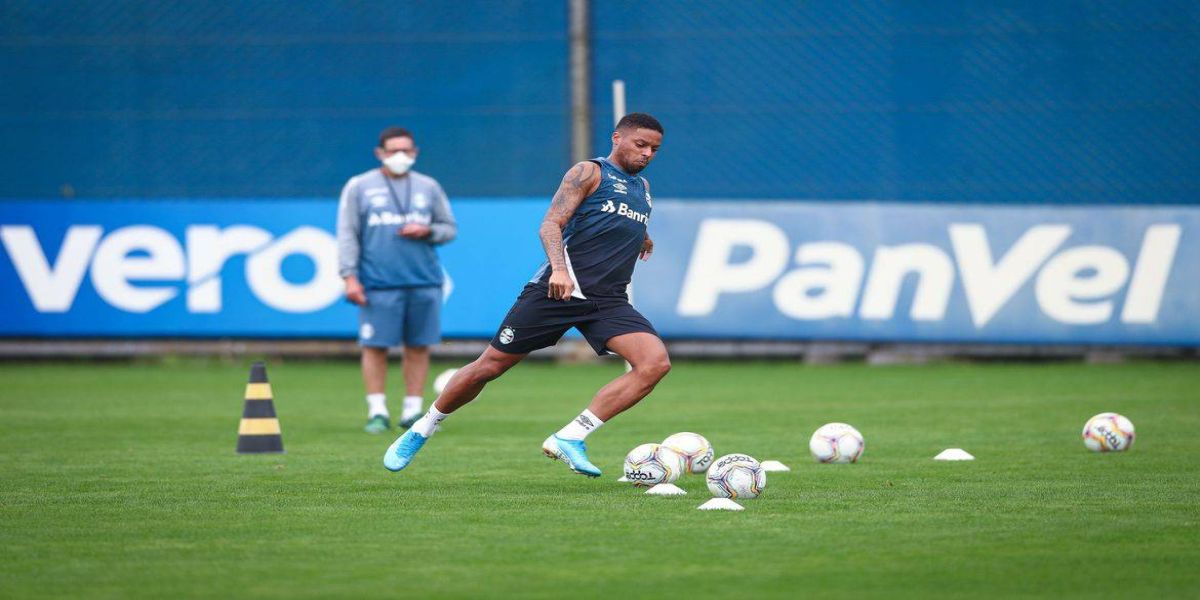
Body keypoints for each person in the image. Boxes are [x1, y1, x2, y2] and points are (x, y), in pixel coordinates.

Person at [383, 113, 668, 477]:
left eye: (654, 149)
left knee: (655, 363)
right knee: (490, 366)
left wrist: (641, 236)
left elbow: (617, 222)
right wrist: (560, 270)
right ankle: (424, 427)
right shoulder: (589, 172)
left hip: (608, 300)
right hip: (557, 291)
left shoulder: (642, 189)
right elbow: (551, 223)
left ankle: (570, 437)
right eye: (640, 144)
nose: (647, 153)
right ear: (617, 138)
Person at [337, 127, 456, 434]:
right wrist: (349, 276)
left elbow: (449, 229)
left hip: (424, 280)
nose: (400, 156)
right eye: (393, 151)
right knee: (375, 347)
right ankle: (377, 410)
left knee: (418, 346)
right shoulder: (359, 186)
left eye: (407, 150)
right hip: (378, 282)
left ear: (415, 152)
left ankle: (412, 411)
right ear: (380, 153)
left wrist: (426, 230)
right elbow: (348, 234)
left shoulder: (428, 186)